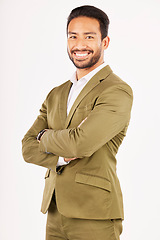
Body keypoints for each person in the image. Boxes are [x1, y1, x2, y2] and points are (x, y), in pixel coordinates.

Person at [22, 5, 133, 240]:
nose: (79, 45)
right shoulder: (56, 94)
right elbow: (27, 148)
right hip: (54, 212)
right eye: (73, 36)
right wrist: (60, 155)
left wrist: (44, 136)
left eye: (89, 36)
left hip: (95, 213)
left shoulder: (116, 90)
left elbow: (80, 144)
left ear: (105, 42)